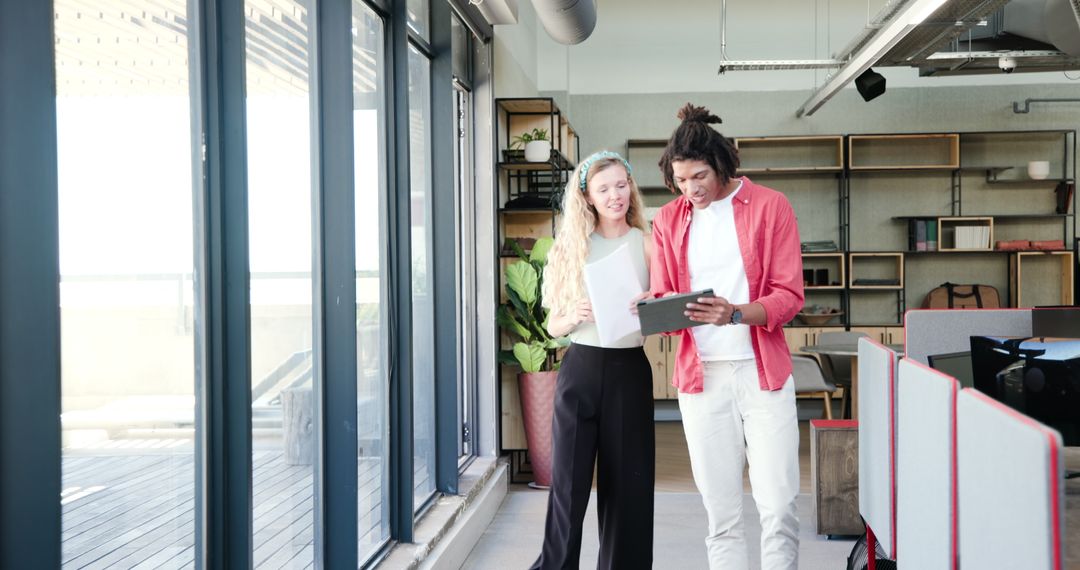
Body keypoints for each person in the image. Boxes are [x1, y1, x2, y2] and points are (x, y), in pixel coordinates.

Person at [650, 104, 805, 570]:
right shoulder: (668, 219)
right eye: (681, 180)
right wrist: (658, 308)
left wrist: (734, 313)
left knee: (778, 505)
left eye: (699, 176)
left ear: (721, 164)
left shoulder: (770, 206)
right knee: (721, 515)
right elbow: (661, 299)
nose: (690, 189)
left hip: (762, 375)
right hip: (702, 381)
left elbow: (789, 296)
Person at [530, 150, 655, 570]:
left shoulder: (648, 244)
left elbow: (669, 314)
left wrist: (652, 303)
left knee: (629, 488)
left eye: (621, 185)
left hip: (629, 371)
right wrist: (573, 315)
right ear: (587, 196)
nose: (615, 195)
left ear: (630, 187)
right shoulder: (571, 249)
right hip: (580, 369)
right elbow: (553, 327)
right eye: (604, 189)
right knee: (568, 485)